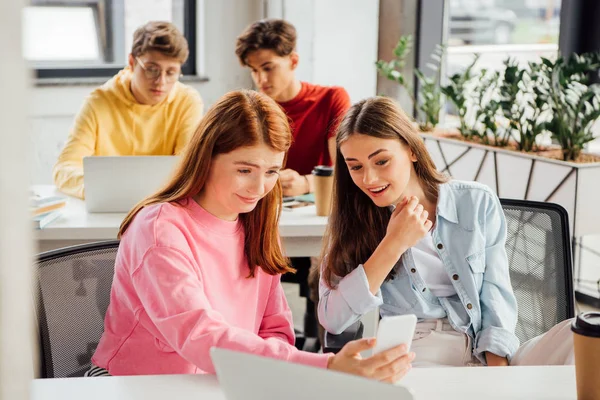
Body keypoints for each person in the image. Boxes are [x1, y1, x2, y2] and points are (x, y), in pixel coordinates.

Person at [85, 90, 414, 382]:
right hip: (137, 384)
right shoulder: (159, 229)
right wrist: (324, 366)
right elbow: (200, 336)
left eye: (271, 171)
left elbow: (276, 331)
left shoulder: (255, 222)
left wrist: (270, 377)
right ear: (207, 158)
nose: (259, 189)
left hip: (225, 380)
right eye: (245, 170)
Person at [318, 96, 574, 367]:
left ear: (412, 151)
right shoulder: (354, 221)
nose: (368, 179)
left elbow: (496, 293)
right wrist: (393, 243)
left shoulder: (476, 202)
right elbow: (332, 319)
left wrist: (497, 371)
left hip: (485, 349)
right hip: (419, 354)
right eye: (356, 166)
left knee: (582, 334)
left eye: (381, 161)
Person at [53, 21, 204, 199]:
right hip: (107, 205)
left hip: (162, 208)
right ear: (132, 62)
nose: (161, 82)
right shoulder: (98, 103)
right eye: (151, 70)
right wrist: (98, 190)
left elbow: (187, 169)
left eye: (171, 72)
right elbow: (64, 169)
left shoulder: (187, 101)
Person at [235, 18, 350, 197]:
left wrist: (307, 183)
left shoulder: (331, 99)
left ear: (293, 61)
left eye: (268, 68)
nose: (260, 80)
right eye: (254, 70)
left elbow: (347, 169)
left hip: (315, 208)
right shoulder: (250, 109)